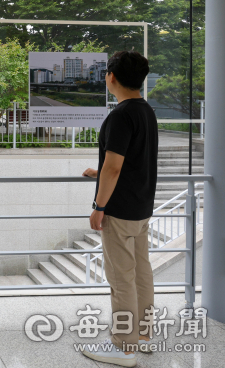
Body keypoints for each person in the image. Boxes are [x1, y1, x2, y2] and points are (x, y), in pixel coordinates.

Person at [80, 51, 157, 368]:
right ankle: (143, 336)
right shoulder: (145, 112)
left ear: (111, 76)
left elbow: (114, 168)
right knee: (142, 274)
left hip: (120, 211)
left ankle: (124, 349)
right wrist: (99, 172)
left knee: (121, 279)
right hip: (141, 208)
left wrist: (99, 206)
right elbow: (130, 163)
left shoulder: (120, 116)